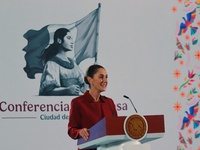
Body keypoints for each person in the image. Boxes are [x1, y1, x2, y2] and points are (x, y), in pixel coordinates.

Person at [68, 64, 118, 150]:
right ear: (90, 80)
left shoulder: (109, 102)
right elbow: (71, 130)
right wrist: (80, 131)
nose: (105, 80)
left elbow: (116, 127)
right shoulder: (78, 102)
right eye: (101, 77)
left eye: (106, 77)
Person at [39, 28, 88, 96]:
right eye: (68, 38)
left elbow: (83, 88)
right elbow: (48, 90)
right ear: (59, 40)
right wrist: (67, 90)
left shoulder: (72, 63)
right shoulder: (52, 63)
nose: (72, 42)